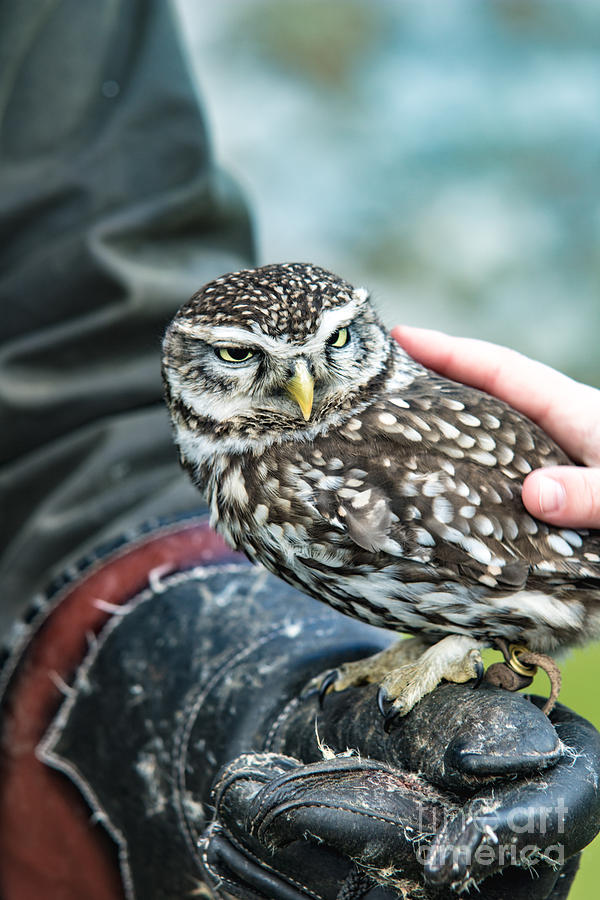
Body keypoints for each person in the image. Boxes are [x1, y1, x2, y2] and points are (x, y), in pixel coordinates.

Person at [0, 2, 599, 899]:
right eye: (244, 365)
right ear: (188, 369)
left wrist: (222, 679)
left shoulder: (348, 453)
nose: (302, 394)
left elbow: (74, 369)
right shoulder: (258, 464)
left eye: (333, 353)